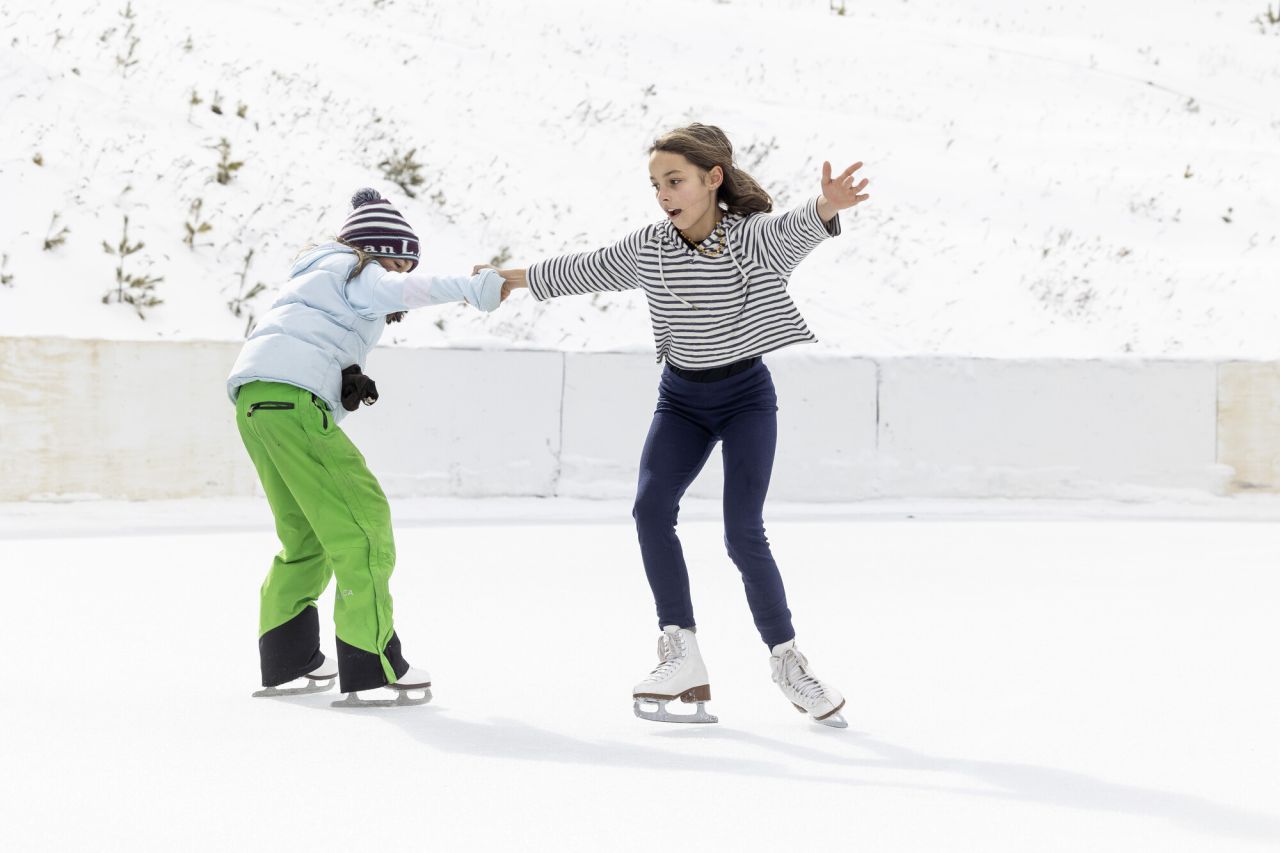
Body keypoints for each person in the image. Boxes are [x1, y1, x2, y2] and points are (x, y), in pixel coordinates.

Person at [491, 123, 869, 727]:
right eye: (656, 184)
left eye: (675, 181)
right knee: (649, 509)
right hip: (681, 401)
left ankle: (787, 661)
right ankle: (681, 652)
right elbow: (581, 270)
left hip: (745, 397)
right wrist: (507, 280)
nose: (664, 194)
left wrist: (826, 205)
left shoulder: (750, 241)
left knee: (742, 532)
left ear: (712, 179)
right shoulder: (651, 247)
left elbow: (792, 227)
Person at [228, 187, 504, 706]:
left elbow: (303, 344)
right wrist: (472, 287)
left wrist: (343, 384)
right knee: (364, 525)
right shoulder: (359, 270)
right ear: (381, 249)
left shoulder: (311, 277)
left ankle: (289, 657)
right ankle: (373, 664)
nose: (401, 271)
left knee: (307, 534)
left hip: (254, 402)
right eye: (402, 259)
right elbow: (408, 291)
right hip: (294, 405)